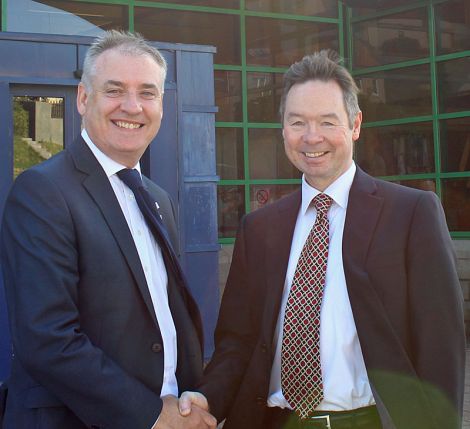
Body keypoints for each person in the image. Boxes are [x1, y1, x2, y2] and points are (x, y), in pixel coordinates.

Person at [180, 50, 465, 429]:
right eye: (297, 122)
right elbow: (238, 341)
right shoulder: (260, 228)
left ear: (355, 124)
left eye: (327, 122)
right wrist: (208, 398)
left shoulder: (411, 215)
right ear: (283, 128)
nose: (311, 137)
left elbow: (440, 347)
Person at [0, 30, 216, 429]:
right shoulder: (43, 191)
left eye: (147, 93)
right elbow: (49, 340)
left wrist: (192, 397)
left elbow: (166, 318)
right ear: (84, 98)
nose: (132, 107)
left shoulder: (157, 198)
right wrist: (154, 415)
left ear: (161, 105)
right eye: (115, 90)